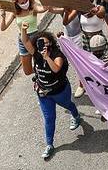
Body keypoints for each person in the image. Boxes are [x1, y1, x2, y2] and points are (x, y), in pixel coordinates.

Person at [20, 27, 82, 160]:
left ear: (51, 43)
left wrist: (47, 57)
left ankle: (76, 116)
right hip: (43, 94)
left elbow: (56, 69)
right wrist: (23, 30)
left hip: (60, 91)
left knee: (68, 105)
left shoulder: (57, 55)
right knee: (49, 119)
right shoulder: (36, 53)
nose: (44, 46)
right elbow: (25, 41)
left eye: (46, 43)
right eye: (40, 43)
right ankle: (49, 144)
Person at [1, 0, 50, 76]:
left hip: (34, 38)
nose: (25, 4)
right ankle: (39, 74)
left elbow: (43, 9)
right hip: (22, 39)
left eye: (26, 1)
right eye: (22, 2)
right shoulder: (15, 12)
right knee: (27, 71)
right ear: (17, 3)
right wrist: (3, 17)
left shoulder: (33, 8)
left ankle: (41, 79)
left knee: (40, 64)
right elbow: (3, 28)